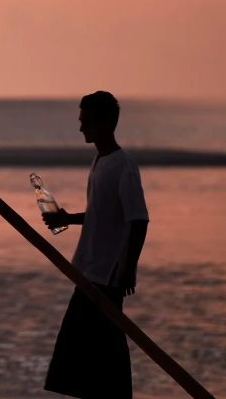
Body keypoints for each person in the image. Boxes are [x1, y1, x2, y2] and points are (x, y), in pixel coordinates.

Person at [41, 91, 150, 399]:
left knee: (105, 347)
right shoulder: (99, 161)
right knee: (85, 349)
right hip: (89, 268)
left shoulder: (122, 165)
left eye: (86, 122)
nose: (81, 129)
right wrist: (68, 218)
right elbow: (103, 214)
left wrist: (129, 269)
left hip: (109, 273)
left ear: (103, 123)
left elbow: (138, 219)